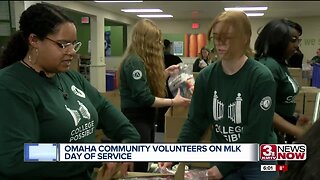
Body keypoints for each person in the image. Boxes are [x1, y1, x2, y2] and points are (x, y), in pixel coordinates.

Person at [0, 3, 140, 179]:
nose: (72, 52)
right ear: (34, 40)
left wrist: (129, 140)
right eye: (63, 44)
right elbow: (19, 156)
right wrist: (94, 156)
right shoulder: (10, 86)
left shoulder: (70, 77)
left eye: (73, 44)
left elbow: (104, 110)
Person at [161, 11, 278, 179]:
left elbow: (257, 132)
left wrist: (224, 167)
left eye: (228, 37)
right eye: (216, 37)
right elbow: (195, 121)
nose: (220, 43)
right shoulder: (207, 77)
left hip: (258, 159)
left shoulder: (261, 77)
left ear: (245, 38)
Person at [118, 19, 190, 172]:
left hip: (147, 120)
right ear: (146, 40)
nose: (160, 44)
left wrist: (165, 74)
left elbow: (146, 87)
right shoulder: (134, 62)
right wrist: (173, 101)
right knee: (138, 168)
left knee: (143, 164)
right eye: (156, 40)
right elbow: (144, 97)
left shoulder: (140, 61)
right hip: (136, 121)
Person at [254, 19, 310, 147]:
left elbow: (278, 102)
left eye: (298, 40)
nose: (297, 45)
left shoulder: (280, 64)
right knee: (276, 168)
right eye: (292, 40)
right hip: (265, 139)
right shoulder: (269, 66)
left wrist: (294, 117)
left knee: (282, 167)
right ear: (277, 40)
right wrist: (297, 131)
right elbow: (262, 108)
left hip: (277, 134)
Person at [156, 39, 183, 133]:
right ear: (169, 47)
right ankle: (172, 130)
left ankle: (160, 130)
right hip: (173, 89)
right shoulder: (175, 59)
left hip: (160, 88)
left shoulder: (156, 59)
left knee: (161, 111)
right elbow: (182, 75)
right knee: (172, 110)